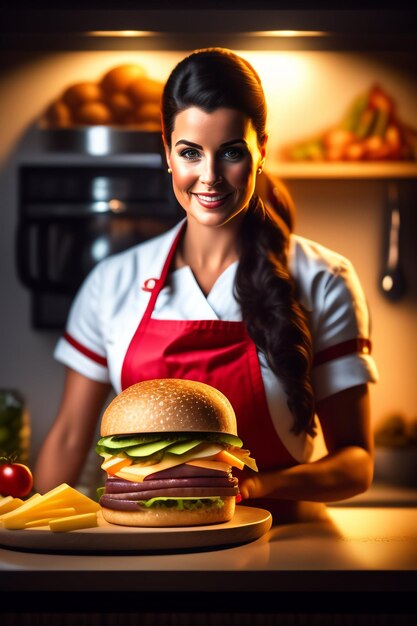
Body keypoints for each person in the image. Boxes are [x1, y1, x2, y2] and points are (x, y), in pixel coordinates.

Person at [34, 48, 378, 516]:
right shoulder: (112, 282)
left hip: (286, 542)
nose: (210, 177)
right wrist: (25, 532)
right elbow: (71, 436)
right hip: (145, 544)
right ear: (167, 152)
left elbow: (355, 464)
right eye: (190, 152)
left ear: (262, 151)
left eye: (232, 152)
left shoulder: (323, 278)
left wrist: (255, 488)